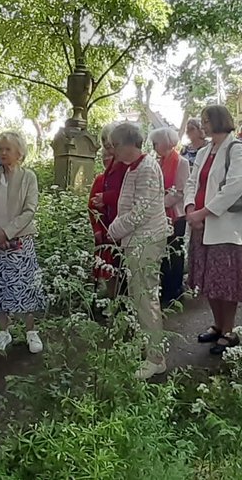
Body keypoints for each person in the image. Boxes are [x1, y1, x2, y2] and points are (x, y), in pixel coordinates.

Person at [185, 105, 242, 355]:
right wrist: (191, 207)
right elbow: (193, 181)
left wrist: (204, 212)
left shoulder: (235, 148)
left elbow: (235, 186)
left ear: (218, 120)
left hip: (225, 226)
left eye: (206, 120)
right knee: (209, 279)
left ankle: (229, 330)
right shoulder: (204, 151)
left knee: (225, 280)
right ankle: (216, 324)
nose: (203, 125)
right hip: (200, 224)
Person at [107, 123, 173, 379]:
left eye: (115, 145)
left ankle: (156, 358)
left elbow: (140, 211)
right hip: (137, 240)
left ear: (128, 144)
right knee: (140, 297)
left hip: (146, 240)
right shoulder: (134, 167)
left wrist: (112, 229)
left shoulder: (146, 168)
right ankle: (149, 347)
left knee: (146, 298)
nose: (113, 151)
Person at [0, 132, 45, 354]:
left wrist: (7, 232)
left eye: (8, 149)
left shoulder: (28, 177)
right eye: (1, 149)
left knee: (24, 286)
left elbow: (30, 209)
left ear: (19, 153)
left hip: (20, 240)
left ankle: (31, 331)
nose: (3, 153)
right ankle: (4, 331)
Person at [149, 126, 190, 307]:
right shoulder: (157, 162)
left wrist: (160, 203)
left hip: (176, 214)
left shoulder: (181, 162)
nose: (153, 146)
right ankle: (165, 289)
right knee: (163, 254)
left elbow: (180, 191)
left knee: (175, 254)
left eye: (155, 143)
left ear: (164, 143)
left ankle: (175, 290)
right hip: (160, 215)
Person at [90, 123, 127, 300]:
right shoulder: (112, 164)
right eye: (104, 140)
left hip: (124, 222)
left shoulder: (125, 163)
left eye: (109, 140)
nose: (107, 144)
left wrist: (106, 198)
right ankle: (114, 306)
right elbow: (92, 204)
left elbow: (126, 193)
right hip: (108, 224)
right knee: (110, 267)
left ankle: (122, 309)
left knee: (122, 269)